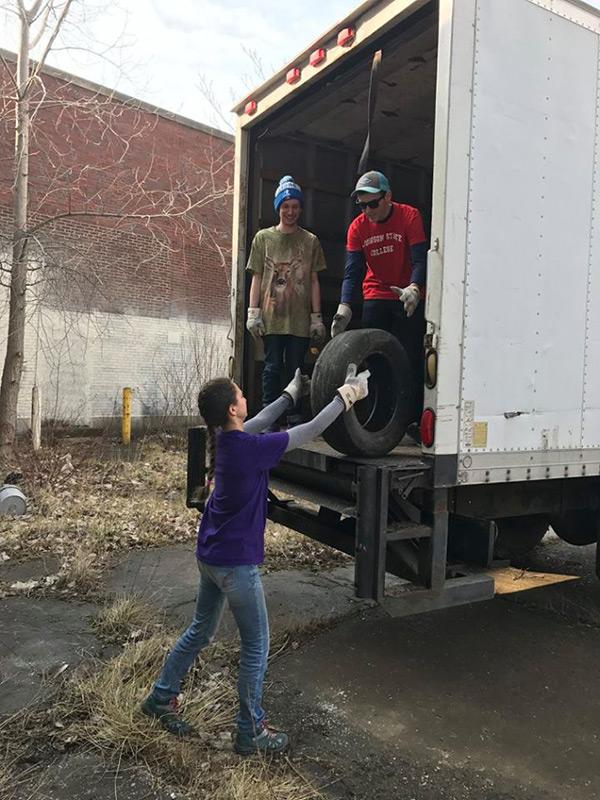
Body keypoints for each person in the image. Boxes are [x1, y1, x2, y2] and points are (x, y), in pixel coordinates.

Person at [141, 364, 370, 755]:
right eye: (240, 394)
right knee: (256, 647)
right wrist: (347, 394)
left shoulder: (227, 440)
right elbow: (311, 430)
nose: (246, 398)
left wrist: (289, 393)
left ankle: (160, 698)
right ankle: (251, 732)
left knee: (200, 631)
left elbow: (262, 418)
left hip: (210, 557)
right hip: (235, 566)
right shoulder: (250, 448)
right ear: (232, 410)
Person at [330, 170, 428, 422]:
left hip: (407, 294)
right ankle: (379, 418)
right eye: (362, 205)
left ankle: (412, 419)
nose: (368, 210)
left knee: (409, 356)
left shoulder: (409, 216)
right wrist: (345, 307)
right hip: (377, 291)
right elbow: (353, 272)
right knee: (376, 360)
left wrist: (415, 287)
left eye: (373, 203)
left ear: (388, 197)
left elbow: (420, 259)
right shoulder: (357, 228)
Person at [246, 175, 327, 428]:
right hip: (272, 317)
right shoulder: (263, 238)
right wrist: (253, 312)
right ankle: (269, 419)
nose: (290, 211)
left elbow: (314, 280)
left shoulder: (310, 241)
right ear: (278, 208)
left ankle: (293, 418)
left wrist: (317, 317)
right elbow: (258, 277)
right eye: (285, 206)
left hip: (300, 319)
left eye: (294, 206)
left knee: (295, 368)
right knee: (271, 368)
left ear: (300, 208)